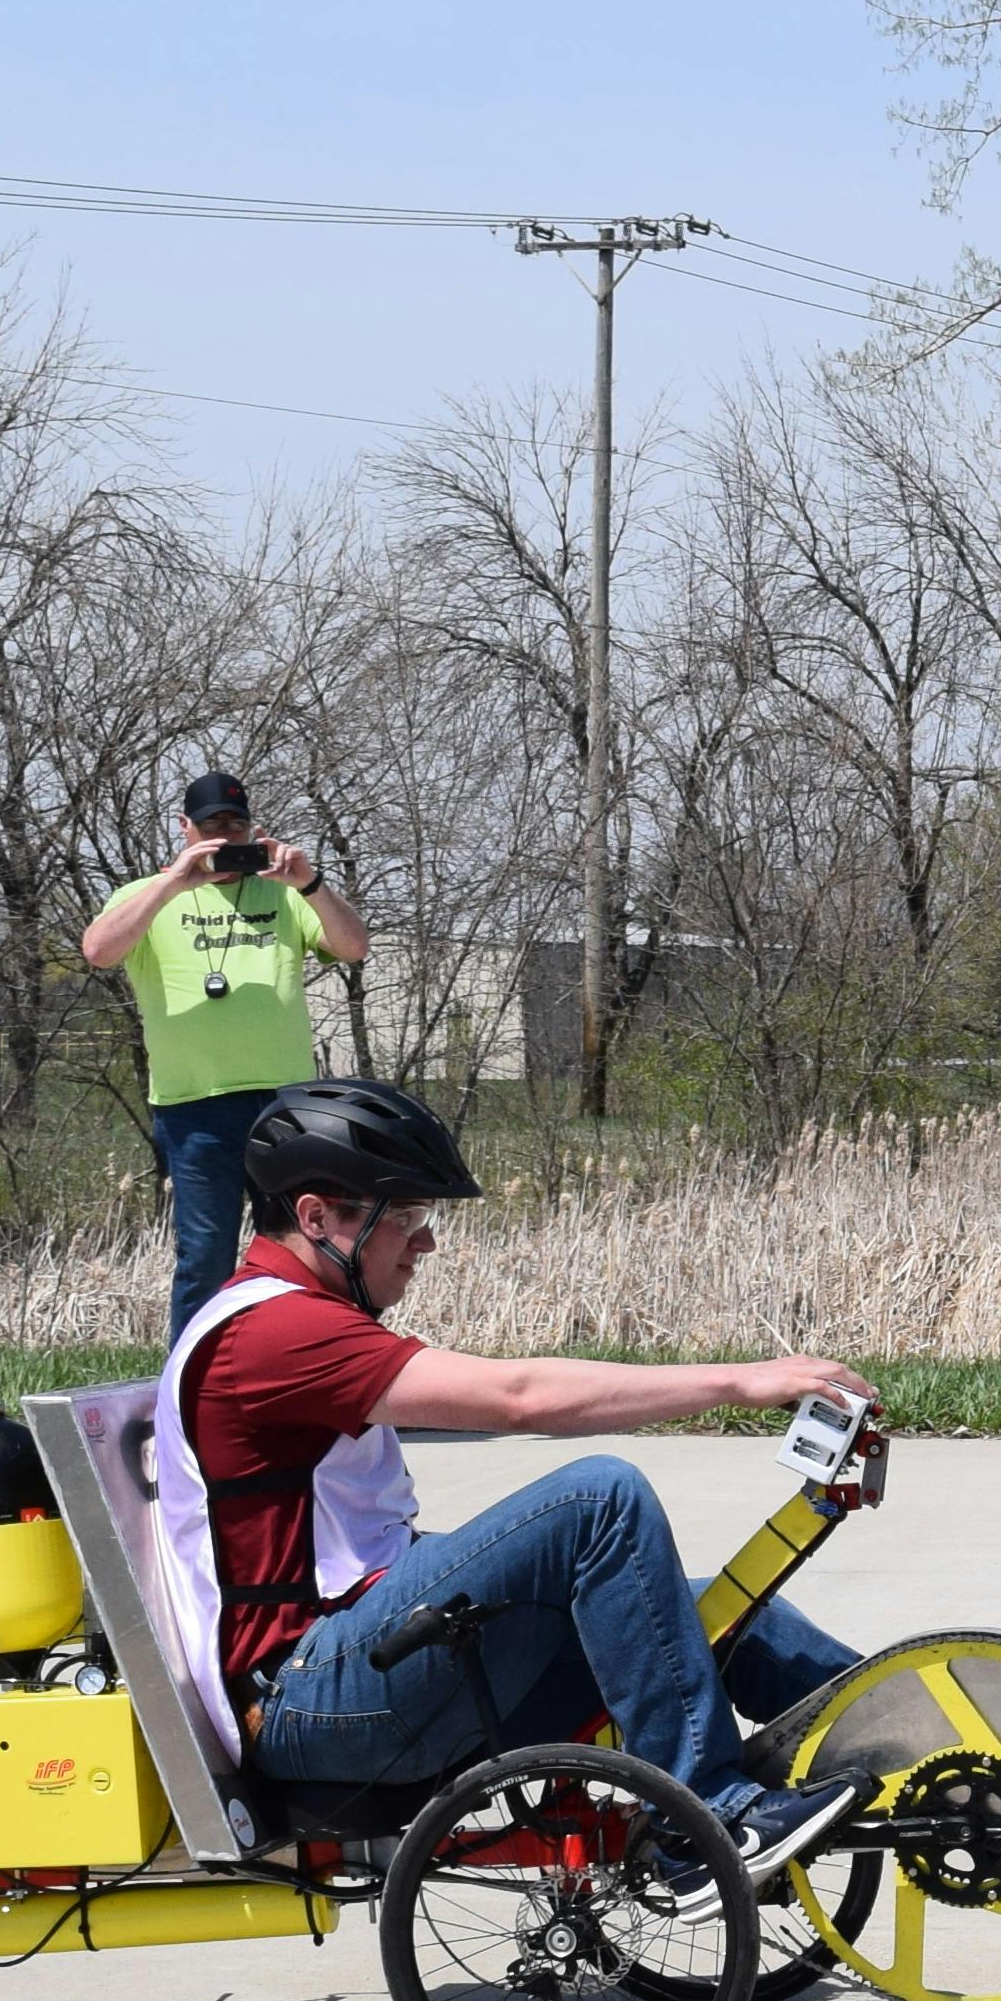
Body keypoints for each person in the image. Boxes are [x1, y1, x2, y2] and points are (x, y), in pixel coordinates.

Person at [149, 1077, 873, 1872]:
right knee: (599, 1498)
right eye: (406, 1218)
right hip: (315, 1700)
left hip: (360, 1668)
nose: (424, 1244)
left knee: (714, 1612)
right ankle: (703, 1821)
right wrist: (741, 1381)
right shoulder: (276, 1331)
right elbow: (519, 1397)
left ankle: (916, 1766)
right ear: (318, 1216)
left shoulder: (287, 1314)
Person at [84, 770, 369, 1335]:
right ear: (185, 829)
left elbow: (353, 946)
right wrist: (172, 885)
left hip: (284, 1103)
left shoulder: (284, 895)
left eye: (235, 827)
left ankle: (299, 1370)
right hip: (195, 1105)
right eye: (211, 827)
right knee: (205, 1254)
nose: (225, 839)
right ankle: (192, 1390)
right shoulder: (143, 897)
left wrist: (310, 883)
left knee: (299, 1250)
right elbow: (98, 951)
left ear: (253, 830)